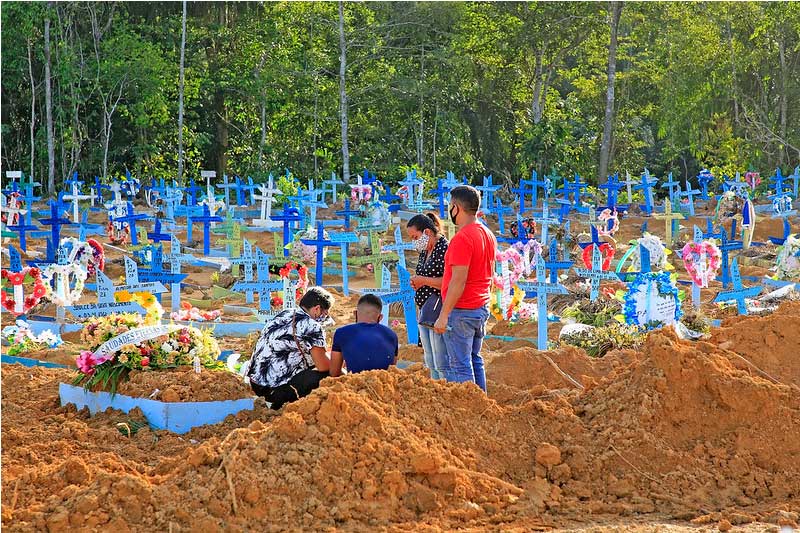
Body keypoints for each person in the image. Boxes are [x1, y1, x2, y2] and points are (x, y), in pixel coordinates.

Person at [434, 185, 496, 392]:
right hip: (480, 306)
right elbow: (490, 272)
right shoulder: (487, 234)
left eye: (450, 206)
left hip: (462, 310)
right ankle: (482, 404)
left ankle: (469, 413)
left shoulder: (462, 238)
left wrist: (444, 315)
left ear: (456, 207)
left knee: (460, 366)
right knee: (474, 359)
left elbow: (458, 281)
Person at [247, 287, 334, 409]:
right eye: (325, 314)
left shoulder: (286, 313)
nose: (324, 318)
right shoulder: (311, 325)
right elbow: (323, 366)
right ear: (317, 309)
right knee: (330, 375)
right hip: (274, 391)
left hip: (256, 384)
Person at [406, 212, 449, 379]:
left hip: (438, 308)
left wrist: (423, 280)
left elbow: (449, 280)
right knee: (429, 358)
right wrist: (417, 282)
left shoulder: (444, 248)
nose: (414, 241)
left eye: (415, 236)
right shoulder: (425, 251)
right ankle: (434, 387)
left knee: (440, 358)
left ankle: (445, 389)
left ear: (427, 232)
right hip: (425, 307)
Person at [329, 294, 398, 376]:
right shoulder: (392, 335)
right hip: (383, 385)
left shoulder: (341, 333)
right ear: (380, 317)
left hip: (355, 385)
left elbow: (334, 373)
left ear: (355, 313)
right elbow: (392, 369)